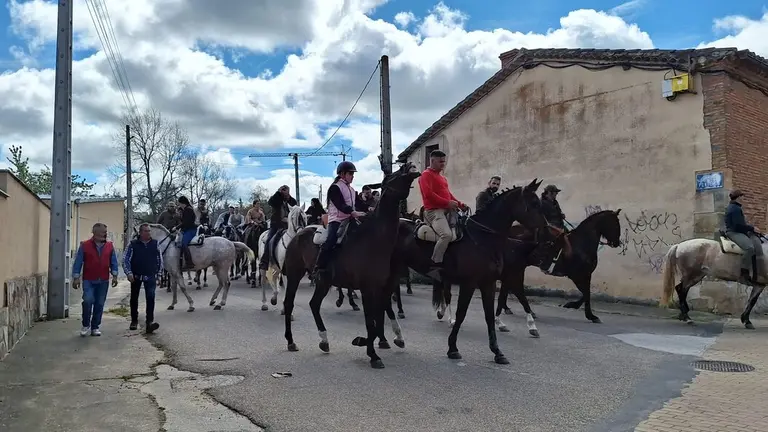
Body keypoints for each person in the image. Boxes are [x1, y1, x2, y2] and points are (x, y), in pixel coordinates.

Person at [312, 161, 366, 278]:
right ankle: (318, 267)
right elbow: (340, 204)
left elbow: (359, 203)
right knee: (331, 240)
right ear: (342, 174)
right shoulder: (335, 188)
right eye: (350, 173)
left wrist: (369, 209)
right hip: (336, 220)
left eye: (353, 174)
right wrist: (352, 212)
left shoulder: (351, 189)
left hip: (350, 218)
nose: (353, 176)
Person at [418, 149, 466, 280]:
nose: (443, 164)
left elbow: (448, 195)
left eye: (444, 162)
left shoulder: (442, 178)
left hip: (446, 210)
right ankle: (434, 265)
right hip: (434, 211)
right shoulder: (425, 175)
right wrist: (447, 203)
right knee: (446, 235)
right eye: (440, 162)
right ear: (432, 160)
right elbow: (428, 195)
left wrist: (460, 204)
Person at [71, 223, 119, 337]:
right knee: (87, 300)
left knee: (99, 303)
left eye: (106, 231)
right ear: (95, 233)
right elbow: (78, 262)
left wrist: (115, 275)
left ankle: (95, 327)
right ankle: (85, 324)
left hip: (103, 280)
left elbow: (114, 262)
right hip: (89, 279)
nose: (105, 234)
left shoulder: (109, 246)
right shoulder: (85, 245)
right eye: (103, 231)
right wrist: (76, 277)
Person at [123, 223, 162, 334]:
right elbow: (126, 259)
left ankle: (149, 323)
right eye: (146, 231)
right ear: (140, 232)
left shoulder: (155, 244)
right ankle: (134, 321)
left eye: (149, 231)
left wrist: (159, 274)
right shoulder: (133, 244)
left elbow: (160, 260)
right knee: (134, 299)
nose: (148, 233)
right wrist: (128, 272)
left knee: (151, 298)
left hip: (150, 276)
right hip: (136, 276)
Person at [725, 189, 764, 284]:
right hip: (733, 232)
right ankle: (743, 274)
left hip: (737, 231)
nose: (743, 198)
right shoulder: (735, 209)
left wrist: (750, 228)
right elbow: (737, 225)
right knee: (749, 248)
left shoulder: (735, 207)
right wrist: (752, 228)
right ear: (738, 197)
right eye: (742, 197)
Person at [259, 185, 298, 270]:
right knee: (269, 240)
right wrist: (278, 192)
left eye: (286, 190)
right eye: (283, 190)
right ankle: (265, 261)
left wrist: (288, 195)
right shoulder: (276, 199)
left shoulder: (291, 201)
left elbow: (295, 205)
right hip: (276, 225)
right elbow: (270, 202)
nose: (284, 191)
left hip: (288, 225)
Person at [177, 196, 197, 270]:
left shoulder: (188, 210)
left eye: (179, 204)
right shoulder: (186, 210)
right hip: (187, 229)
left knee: (183, 243)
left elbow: (186, 222)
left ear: (183, 203)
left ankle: (189, 263)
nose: (179, 205)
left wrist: (176, 227)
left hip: (191, 230)